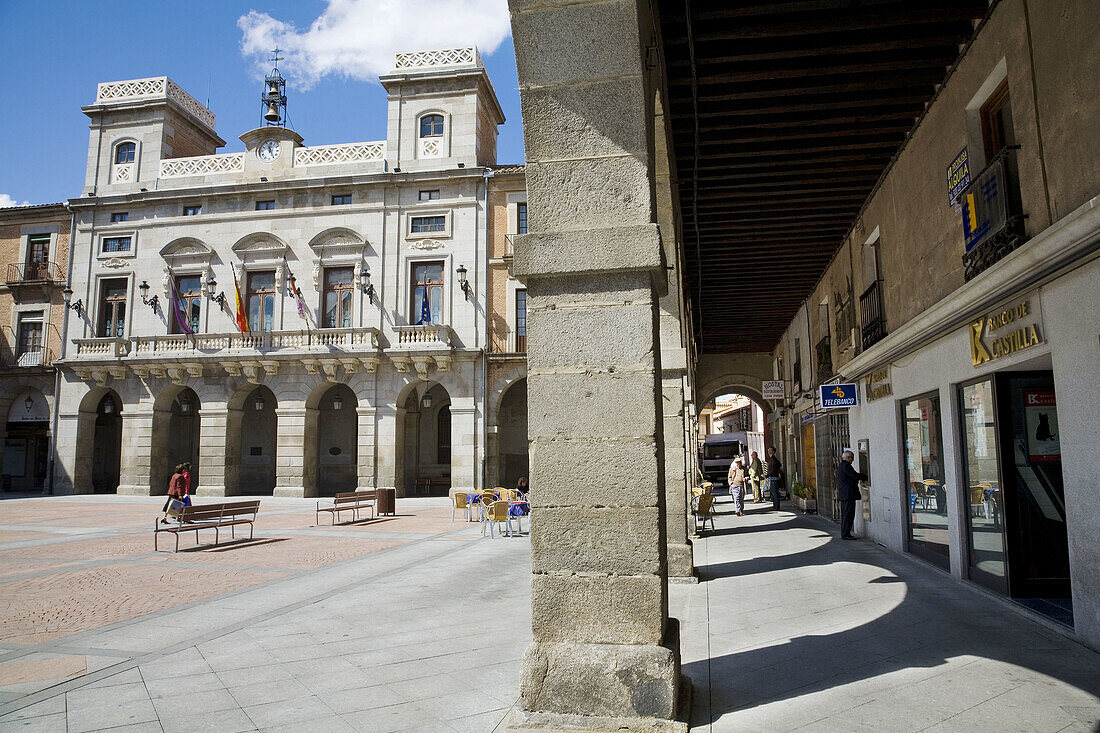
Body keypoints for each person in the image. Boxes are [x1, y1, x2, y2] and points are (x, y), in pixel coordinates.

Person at [836, 449, 867, 540]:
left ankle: (845, 533)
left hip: (845, 494)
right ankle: (846, 534)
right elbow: (854, 475)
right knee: (848, 515)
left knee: (846, 515)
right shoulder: (846, 465)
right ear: (848, 457)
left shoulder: (842, 466)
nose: (853, 460)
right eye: (852, 458)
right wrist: (864, 476)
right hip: (848, 495)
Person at [764, 447, 783, 511]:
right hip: (773, 477)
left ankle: (776, 507)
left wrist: (767, 475)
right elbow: (779, 465)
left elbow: (772, 469)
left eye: (770, 450)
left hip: (774, 477)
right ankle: (775, 506)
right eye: (768, 450)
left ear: (774, 451)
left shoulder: (773, 459)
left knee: (774, 493)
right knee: (773, 492)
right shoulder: (772, 459)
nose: (769, 451)